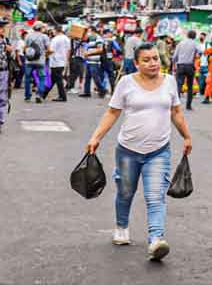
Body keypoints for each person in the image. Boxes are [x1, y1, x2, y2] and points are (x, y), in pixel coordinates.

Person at [84, 42, 192, 262]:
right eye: (147, 60)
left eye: (155, 58)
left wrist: (186, 136)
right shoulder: (126, 83)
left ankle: (156, 240)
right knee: (125, 192)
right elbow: (112, 113)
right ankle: (121, 226)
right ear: (136, 63)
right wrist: (96, 138)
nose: (153, 63)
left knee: (155, 196)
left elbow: (177, 112)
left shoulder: (170, 82)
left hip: (159, 151)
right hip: (128, 151)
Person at [23, 22, 53, 103]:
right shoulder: (44, 37)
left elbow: (24, 48)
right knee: (42, 78)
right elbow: (49, 50)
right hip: (40, 61)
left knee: (27, 79)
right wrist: (46, 55)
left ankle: (27, 97)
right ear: (41, 28)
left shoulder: (28, 36)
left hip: (29, 61)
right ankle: (39, 95)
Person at [172, 31, 202, 110]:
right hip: (190, 66)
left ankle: (176, 105)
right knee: (190, 86)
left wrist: (174, 64)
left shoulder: (180, 43)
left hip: (180, 66)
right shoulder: (195, 43)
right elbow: (200, 51)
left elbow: (174, 57)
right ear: (194, 36)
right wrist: (196, 56)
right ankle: (188, 105)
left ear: (187, 35)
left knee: (179, 85)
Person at [43, 25, 70, 102]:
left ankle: (63, 96)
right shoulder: (66, 38)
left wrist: (45, 55)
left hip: (55, 61)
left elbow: (51, 50)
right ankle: (43, 94)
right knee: (53, 79)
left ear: (55, 30)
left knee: (58, 80)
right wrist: (66, 61)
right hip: (62, 61)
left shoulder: (55, 39)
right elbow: (69, 50)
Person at [81, 33, 107, 98]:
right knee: (87, 77)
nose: (87, 33)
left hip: (95, 62)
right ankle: (87, 92)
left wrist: (88, 53)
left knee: (96, 77)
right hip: (89, 61)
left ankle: (102, 90)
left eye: (88, 32)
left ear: (92, 31)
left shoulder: (98, 39)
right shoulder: (91, 39)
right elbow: (84, 39)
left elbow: (100, 49)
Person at [101, 29, 122, 94]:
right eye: (110, 33)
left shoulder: (100, 39)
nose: (111, 34)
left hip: (100, 59)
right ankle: (112, 90)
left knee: (102, 74)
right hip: (108, 59)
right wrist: (116, 55)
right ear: (107, 33)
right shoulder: (111, 40)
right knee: (111, 75)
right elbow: (118, 50)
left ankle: (102, 89)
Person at [196, 32, 210, 102]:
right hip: (198, 64)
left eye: (202, 36)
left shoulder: (207, 45)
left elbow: (210, 53)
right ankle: (198, 92)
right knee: (199, 79)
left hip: (206, 64)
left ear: (205, 37)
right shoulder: (197, 45)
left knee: (206, 80)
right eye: (200, 36)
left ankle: (204, 92)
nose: (201, 37)